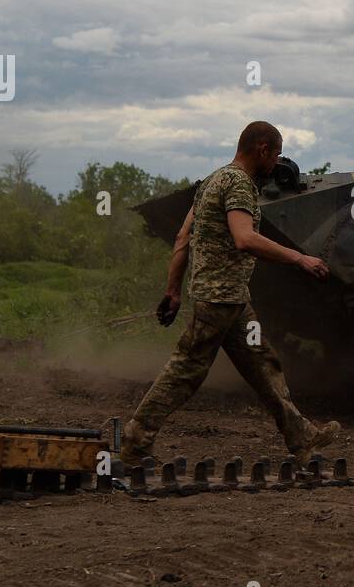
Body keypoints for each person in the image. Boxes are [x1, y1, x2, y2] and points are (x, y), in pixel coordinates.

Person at [121, 121, 341, 468]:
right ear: (262, 149)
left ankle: (300, 436)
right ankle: (135, 442)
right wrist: (300, 258)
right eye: (277, 154)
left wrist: (173, 291)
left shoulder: (213, 180)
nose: (278, 164)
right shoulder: (239, 184)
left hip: (231, 299)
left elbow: (182, 238)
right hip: (220, 299)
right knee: (186, 371)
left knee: (263, 364)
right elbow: (245, 239)